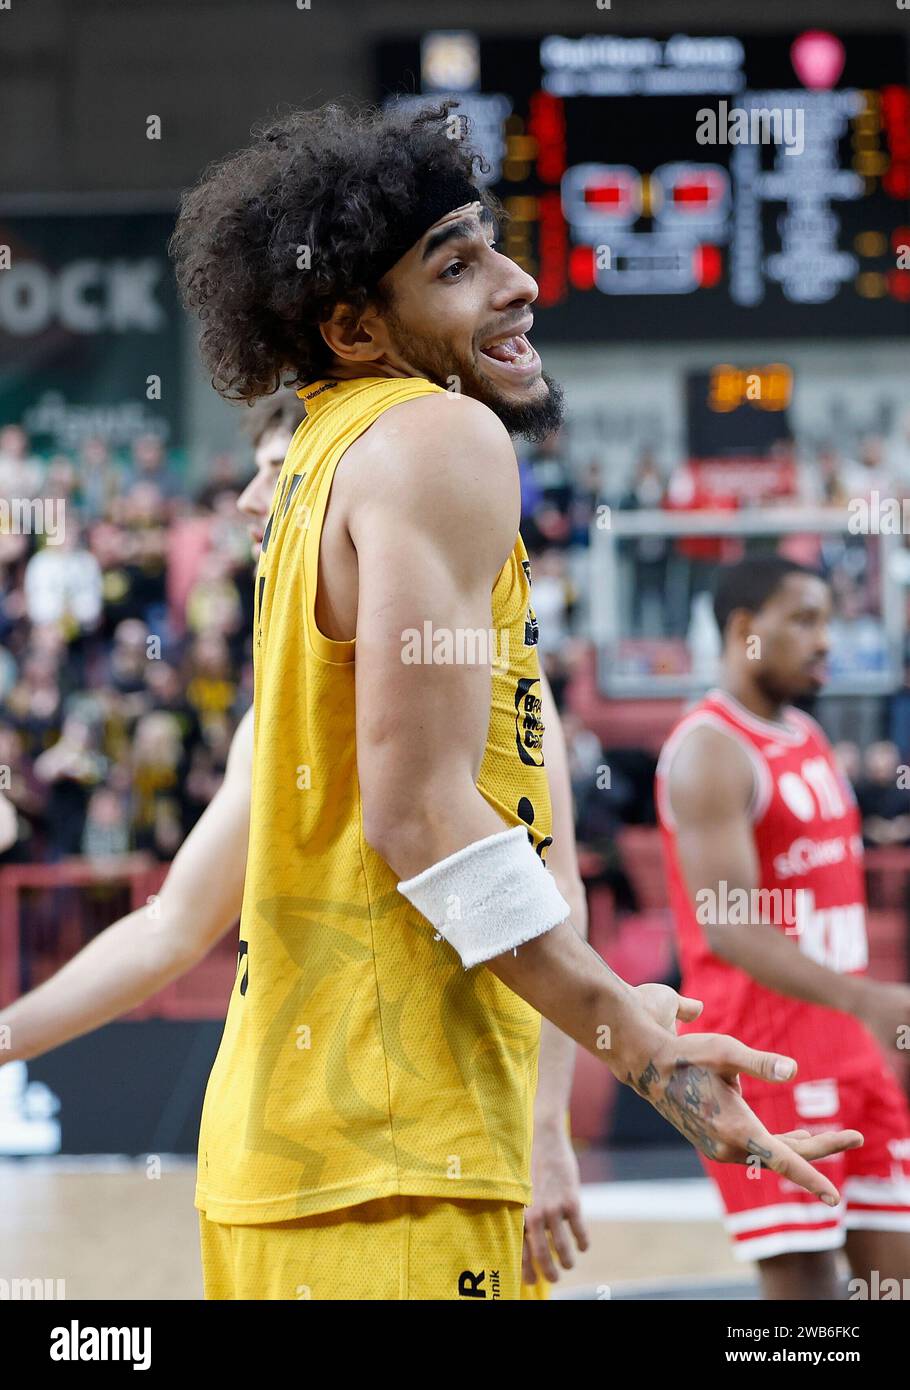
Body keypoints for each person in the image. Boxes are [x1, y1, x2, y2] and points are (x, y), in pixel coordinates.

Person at [168, 101, 857, 1301]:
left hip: (297, 1151)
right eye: (456, 263)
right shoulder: (436, 437)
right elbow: (420, 816)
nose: (519, 280)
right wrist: (636, 1046)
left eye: (490, 243)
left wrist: (578, 1000)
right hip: (396, 1158)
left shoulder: (326, 455)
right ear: (352, 324)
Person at [0, 393, 588, 1295]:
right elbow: (169, 928)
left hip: (425, 1155)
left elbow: (550, 891)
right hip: (270, 1162)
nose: (247, 498)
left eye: (277, 472)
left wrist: (550, 1127)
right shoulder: (269, 716)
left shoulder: (486, 663)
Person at [656, 555, 910, 1299]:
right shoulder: (709, 748)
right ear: (745, 630)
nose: (825, 639)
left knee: (892, 1284)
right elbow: (730, 928)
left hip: (847, 1048)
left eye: (828, 619)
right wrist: (867, 1001)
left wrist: (861, 1017)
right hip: (765, 1057)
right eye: (804, 620)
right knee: (805, 1303)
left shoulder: (806, 735)